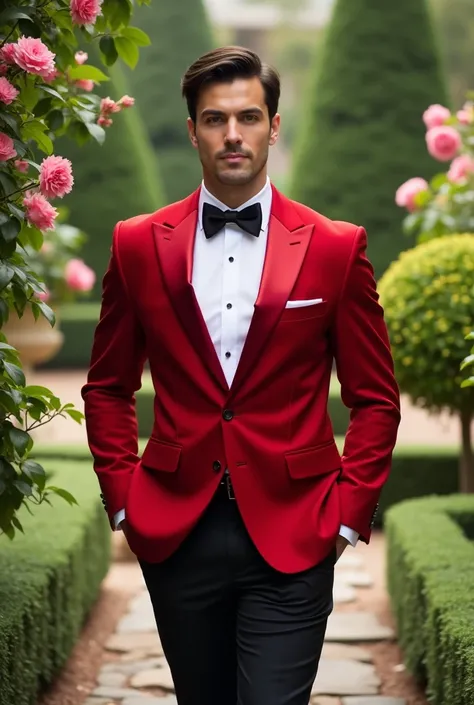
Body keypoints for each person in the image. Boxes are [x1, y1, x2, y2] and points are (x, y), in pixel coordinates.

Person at [82, 45, 401, 705]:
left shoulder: (336, 246)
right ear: (194, 127)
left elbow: (374, 398)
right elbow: (108, 386)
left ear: (274, 126)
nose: (233, 134)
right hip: (176, 527)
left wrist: (346, 516)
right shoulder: (137, 243)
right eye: (215, 119)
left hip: (296, 530)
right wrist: (123, 499)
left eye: (249, 117)